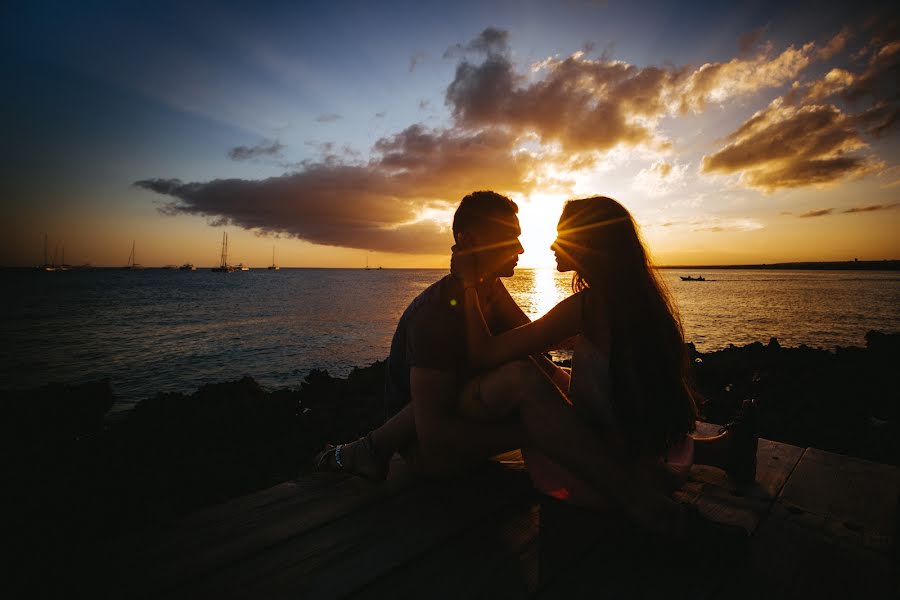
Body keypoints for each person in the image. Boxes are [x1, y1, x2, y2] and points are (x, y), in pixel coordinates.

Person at [315, 191, 755, 536]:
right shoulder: (436, 315)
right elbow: (435, 434)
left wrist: (476, 284)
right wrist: (536, 427)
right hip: (438, 455)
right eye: (511, 235)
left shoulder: (498, 293)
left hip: (523, 448)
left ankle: (366, 448)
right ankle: (368, 449)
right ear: (469, 238)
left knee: (536, 369)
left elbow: (527, 343)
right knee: (527, 374)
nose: (526, 247)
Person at [453, 196, 758, 509]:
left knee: (518, 379)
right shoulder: (636, 299)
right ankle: (725, 449)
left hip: (600, 478)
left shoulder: (588, 307)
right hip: (647, 461)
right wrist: (490, 280)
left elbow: (485, 354)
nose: (552, 245)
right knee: (549, 370)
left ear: (586, 244)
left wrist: (468, 285)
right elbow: (529, 337)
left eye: (562, 237)